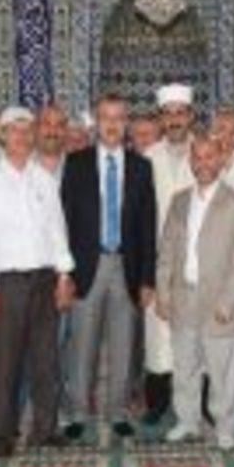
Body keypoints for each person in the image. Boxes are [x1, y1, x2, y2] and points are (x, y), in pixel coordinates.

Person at [60, 92, 157, 439]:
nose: (112, 125)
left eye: (118, 118)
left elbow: (148, 226)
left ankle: (117, 412)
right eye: (106, 118)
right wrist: (65, 274)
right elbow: (64, 222)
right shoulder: (76, 163)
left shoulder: (141, 167)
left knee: (123, 345)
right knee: (81, 345)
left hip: (126, 268)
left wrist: (147, 279)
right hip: (87, 267)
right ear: (96, 122)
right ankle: (77, 412)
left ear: (126, 123)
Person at [0, 107, 75, 456]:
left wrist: (64, 275)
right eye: (13, 130)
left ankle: (44, 429)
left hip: (44, 280)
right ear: (2, 135)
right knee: (4, 362)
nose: (20, 137)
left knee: (46, 360)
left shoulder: (44, 179)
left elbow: (57, 229)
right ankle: (3, 432)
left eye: (26, 130)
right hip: (7, 283)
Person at [156, 131, 234, 448]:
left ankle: (225, 426)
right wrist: (163, 293)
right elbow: (167, 250)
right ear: (190, 161)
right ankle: (187, 421)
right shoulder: (179, 201)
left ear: (221, 160)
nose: (203, 163)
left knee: (222, 369)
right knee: (185, 365)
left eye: (209, 156)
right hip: (183, 297)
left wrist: (228, 301)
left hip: (219, 302)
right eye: (197, 157)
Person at [143, 84, 198, 424]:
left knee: (192, 334)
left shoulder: (204, 152)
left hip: (196, 261)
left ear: (190, 116)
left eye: (181, 113)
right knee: (158, 336)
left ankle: (194, 403)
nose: (175, 120)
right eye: (169, 114)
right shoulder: (148, 158)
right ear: (161, 118)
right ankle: (157, 403)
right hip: (158, 261)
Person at [35, 102, 70, 183]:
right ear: (36, 128)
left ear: (66, 130)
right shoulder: (21, 165)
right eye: (47, 123)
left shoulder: (79, 167)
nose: (53, 131)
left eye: (60, 125)